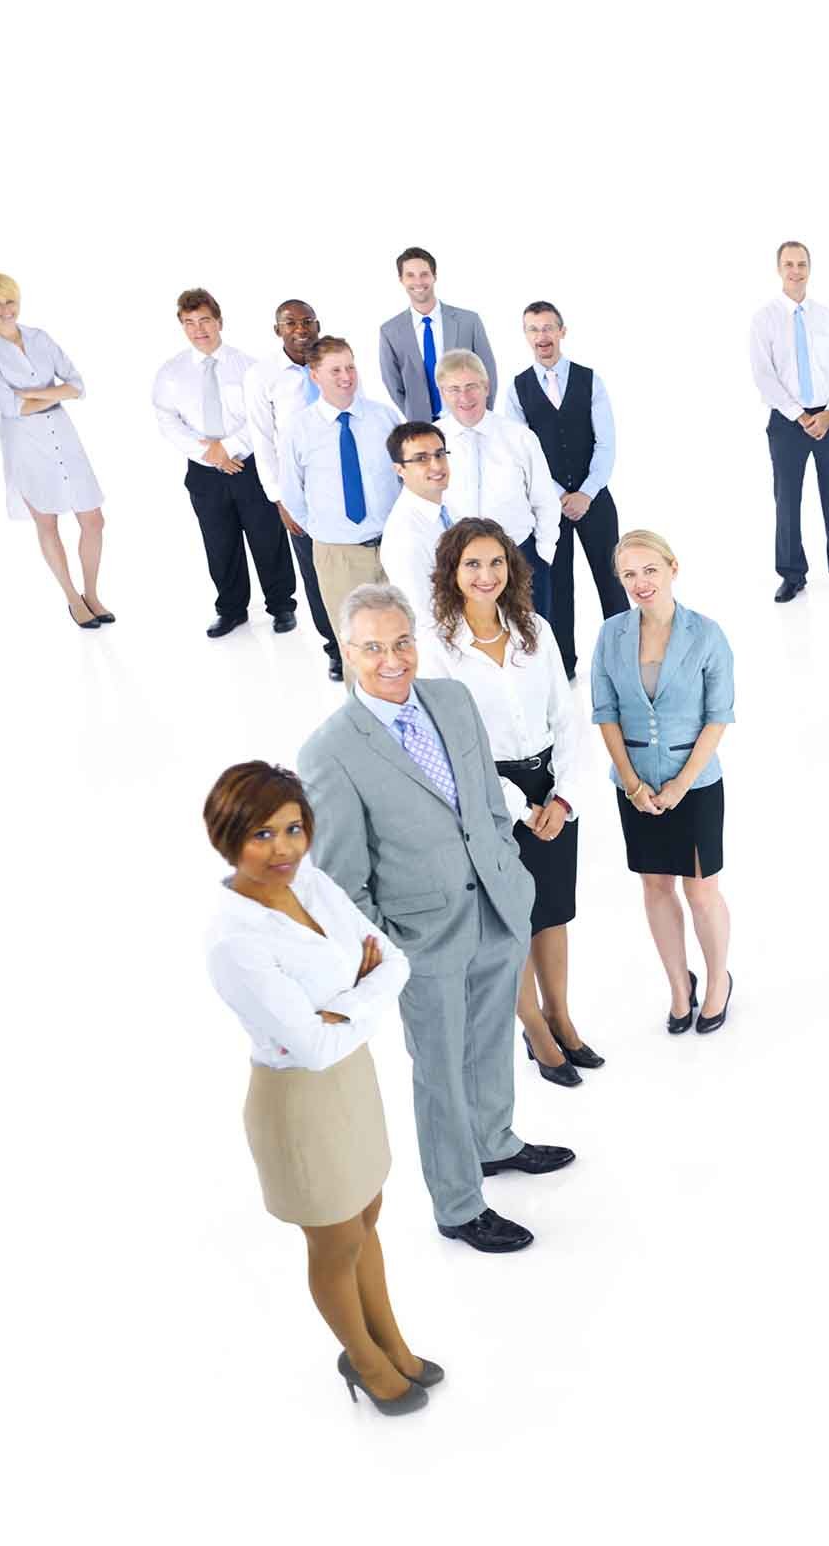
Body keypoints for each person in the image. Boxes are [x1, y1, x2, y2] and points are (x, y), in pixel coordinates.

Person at [300, 584, 571, 1256]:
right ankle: (457, 1203)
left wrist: (510, 870)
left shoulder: (451, 700)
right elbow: (341, 881)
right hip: (423, 940)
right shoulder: (329, 751)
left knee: (488, 1043)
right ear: (346, 651)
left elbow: (483, 803)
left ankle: (495, 1141)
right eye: (373, 647)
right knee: (441, 1070)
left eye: (402, 642)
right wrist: (392, 954)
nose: (392, 659)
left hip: (498, 907)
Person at [201, 760, 438, 1416]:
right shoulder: (233, 940)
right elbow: (309, 1044)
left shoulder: (309, 880)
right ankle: (363, 1359)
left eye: (292, 828)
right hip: (297, 1101)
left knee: (367, 1215)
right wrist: (360, 995)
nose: (283, 849)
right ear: (227, 837)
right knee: (334, 1240)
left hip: (351, 1075)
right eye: (261, 835)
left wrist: (344, 1004)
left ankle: (391, 1340)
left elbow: (394, 959)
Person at [420, 518, 599, 1088]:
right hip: (490, 796)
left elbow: (565, 716)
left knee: (553, 913)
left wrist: (563, 798)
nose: (485, 575)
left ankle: (561, 1016)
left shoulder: (535, 631)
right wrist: (520, 810)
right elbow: (453, 746)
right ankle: (534, 1027)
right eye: (472, 564)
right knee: (511, 922)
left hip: (551, 785)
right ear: (451, 571)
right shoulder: (440, 650)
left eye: (496, 562)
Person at [591, 530, 738, 1036]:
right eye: (629, 574)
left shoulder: (706, 634)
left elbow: (717, 717)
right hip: (635, 785)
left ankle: (718, 980)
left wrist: (679, 786)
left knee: (701, 892)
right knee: (655, 888)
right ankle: (680, 986)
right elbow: (605, 713)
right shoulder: (610, 634)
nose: (640, 582)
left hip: (694, 785)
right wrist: (633, 784)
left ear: (672, 568)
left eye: (649, 570)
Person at [0, 272, 110, 629]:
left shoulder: (40, 338)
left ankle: (91, 593)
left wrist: (34, 395)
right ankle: (72, 598)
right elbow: (8, 406)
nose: (5, 310)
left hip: (62, 432)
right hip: (25, 443)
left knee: (93, 519)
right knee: (47, 521)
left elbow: (77, 385)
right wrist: (52, 392)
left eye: (10, 301)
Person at [153, 287, 296, 638]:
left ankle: (281, 606)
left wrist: (228, 447)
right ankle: (231, 610)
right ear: (182, 326)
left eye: (204, 320)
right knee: (219, 542)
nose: (198, 329)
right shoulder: (171, 372)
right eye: (189, 323)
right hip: (205, 472)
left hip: (249, 466)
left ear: (219, 321)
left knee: (267, 539)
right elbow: (167, 420)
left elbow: (263, 417)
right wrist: (210, 454)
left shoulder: (248, 367)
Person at [500, 301, 623, 680]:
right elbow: (521, 453)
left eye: (548, 328)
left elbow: (607, 444)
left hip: (595, 499)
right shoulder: (517, 389)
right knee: (557, 583)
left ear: (562, 332)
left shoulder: (590, 380)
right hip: (547, 505)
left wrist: (586, 492)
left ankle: (622, 658)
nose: (542, 336)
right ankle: (563, 664)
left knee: (611, 576)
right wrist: (558, 496)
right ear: (526, 336)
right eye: (534, 329)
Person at [750, 240, 829, 601]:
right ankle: (792, 574)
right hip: (786, 423)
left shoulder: (826, 317)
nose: (795, 270)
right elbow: (764, 376)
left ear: (810, 268)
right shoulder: (764, 319)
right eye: (788, 264)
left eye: (801, 264)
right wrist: (799, 415)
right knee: (787, 500)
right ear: (779, 269)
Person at [246, 299, 348, 679]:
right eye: (291, 323)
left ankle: (364, 638)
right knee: (315, 570)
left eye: (307, 322)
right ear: (278, 331)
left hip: (343, 480)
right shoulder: (263, 376)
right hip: (300, 490)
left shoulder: (335, 365)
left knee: (353, 564)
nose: (301, 329)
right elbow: (262, 439)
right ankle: (335, 646)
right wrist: (279, 498)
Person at [434, 349, 561, 627]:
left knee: (531, 640)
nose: (464, 398)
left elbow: (545, 500)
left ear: (486, 387)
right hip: (460, 564)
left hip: (520, 556)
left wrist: (542, 555)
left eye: (471, 387)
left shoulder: (519, 437)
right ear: (442, 392)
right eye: (454, 389)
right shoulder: (433, 441)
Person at [277, 338, 403, 617]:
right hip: (338, 554)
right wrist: (325, 533)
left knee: (406, 635)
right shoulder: (298, 429)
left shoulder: (385, 417)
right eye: (335, 370)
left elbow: (405, 478)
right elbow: (291, 491)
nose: (346, 377)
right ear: (314, 375)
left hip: (393, 547)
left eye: (350, 367)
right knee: (355, 642)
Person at [378, 246, 494, 423]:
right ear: (401, 279)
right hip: (423, 425)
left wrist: (481, 416)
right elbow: (394, 385)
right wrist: (416, 415)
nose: (418, 281)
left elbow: (488, 373)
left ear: (434, 276)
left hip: (467, 418)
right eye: (410, 275)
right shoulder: (390, 331)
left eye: (424, 274)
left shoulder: (468, 321)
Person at [376, 421, 456, 640]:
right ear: (399, 469)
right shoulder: (405, 536)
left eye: (440, 454)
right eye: (422, 459)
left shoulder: (445, 509)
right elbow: (425, 620)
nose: (437, 466)